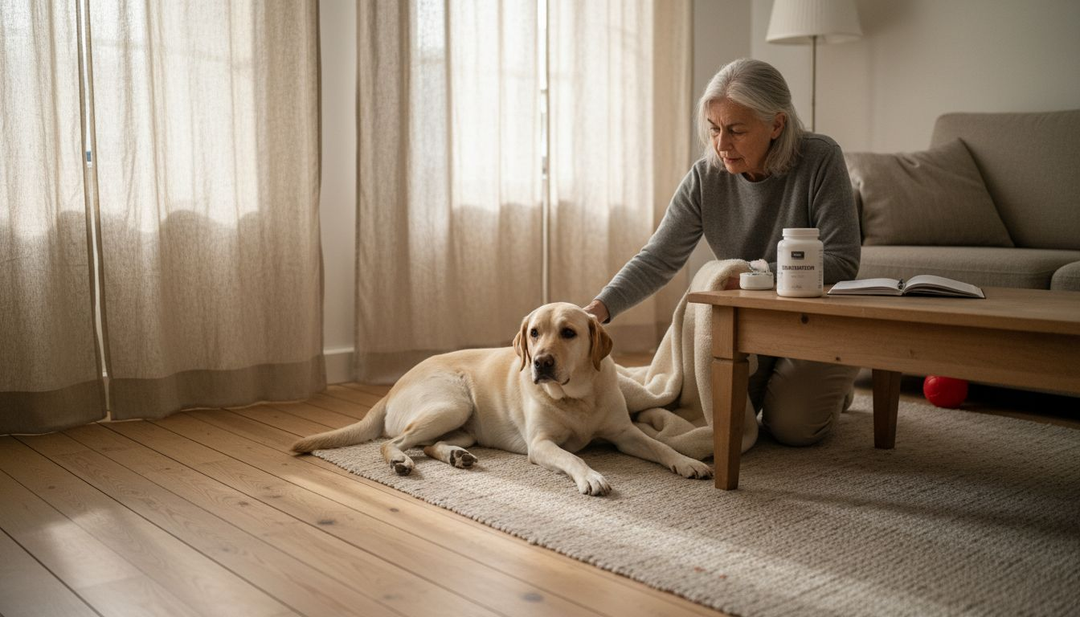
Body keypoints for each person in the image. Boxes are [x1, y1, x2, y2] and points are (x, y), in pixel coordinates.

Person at [583, 58, 861, 447]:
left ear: (777, 125)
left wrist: (752, 277)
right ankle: (806, 383)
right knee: (706, 411)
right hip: (753, 324)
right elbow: (658, 257)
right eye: (714, 129)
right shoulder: (706, 176)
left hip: (816, 318)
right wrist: (599, 309)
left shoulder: (820, 158)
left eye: (736, 131)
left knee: (792, 429)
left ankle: (835, 383)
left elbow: (843, 262)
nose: (721, 144)